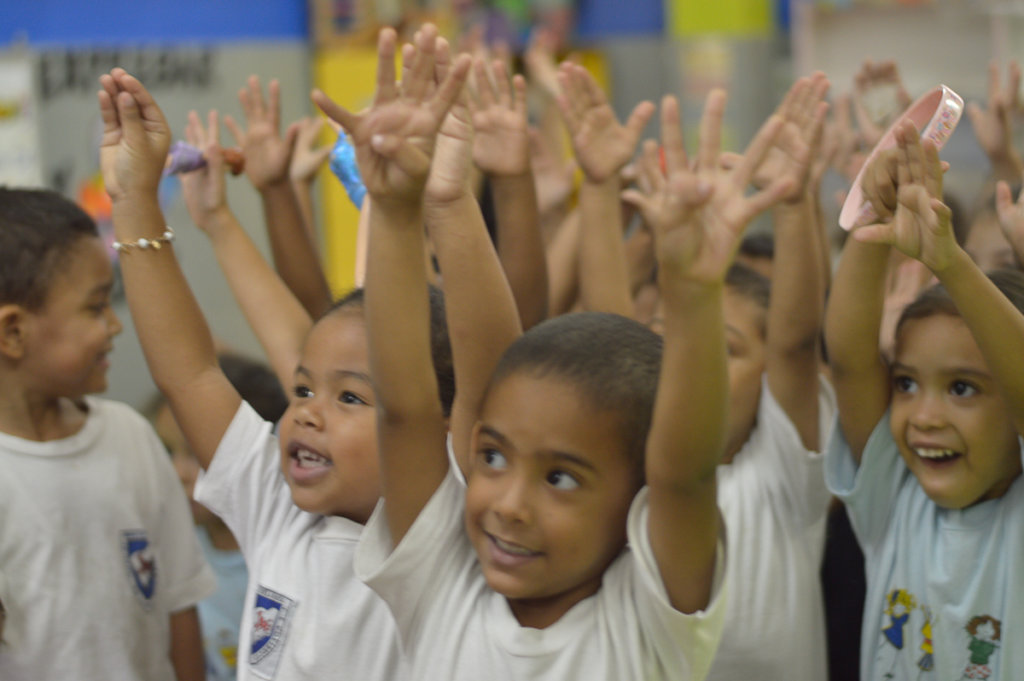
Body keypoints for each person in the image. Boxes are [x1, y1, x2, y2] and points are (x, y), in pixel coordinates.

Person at [313, 22, 794, 678]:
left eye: (561, 477)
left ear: (640, 501)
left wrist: (695, 292)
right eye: (491, 456)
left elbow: (687, 470)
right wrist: (420, 207)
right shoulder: (442, 578)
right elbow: (408, 404)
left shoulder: (650, 618)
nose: (508, 502)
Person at [95, 63, 459, 680]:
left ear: (442, 428)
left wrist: (399, 209)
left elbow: (415, 382)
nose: (308, 411)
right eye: (302, 389)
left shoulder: (435, 532)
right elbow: (189, 374)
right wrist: (133, 200)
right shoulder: (275, 505)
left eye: (350, 398)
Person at [623, 73, 837, 681]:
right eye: (665, 335)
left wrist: (794, 201)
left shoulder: (780, 474)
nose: (690, 361)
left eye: (727, 349)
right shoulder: (633, 469)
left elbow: (796, 342)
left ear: (767, 378)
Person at [824, 117, 1024, 678]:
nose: (923, 416)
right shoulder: (895, 499)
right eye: (906, 384)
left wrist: (951, 262)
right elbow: (849, 357)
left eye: (963, 388)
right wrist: (876, 214)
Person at [0, 186, 215, 681]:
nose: (115, 325)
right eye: (96, 307)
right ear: (13, 333)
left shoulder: (130, 438)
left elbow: (179, 604)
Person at [150, 352, 289, 681]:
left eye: (195, 453)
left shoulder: (288, 549)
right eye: (168, 451)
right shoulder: (171, 552)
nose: (177, 472)